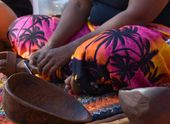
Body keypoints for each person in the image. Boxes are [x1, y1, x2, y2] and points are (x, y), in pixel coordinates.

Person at [1, 0, 170, 95]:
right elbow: (79, 5)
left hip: (146, 36)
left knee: (111, 49)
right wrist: (50, 47)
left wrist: (69, 50)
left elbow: (138, 15)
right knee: (24, 28)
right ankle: (83, 74)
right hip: (90, 32)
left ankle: (71, 70)